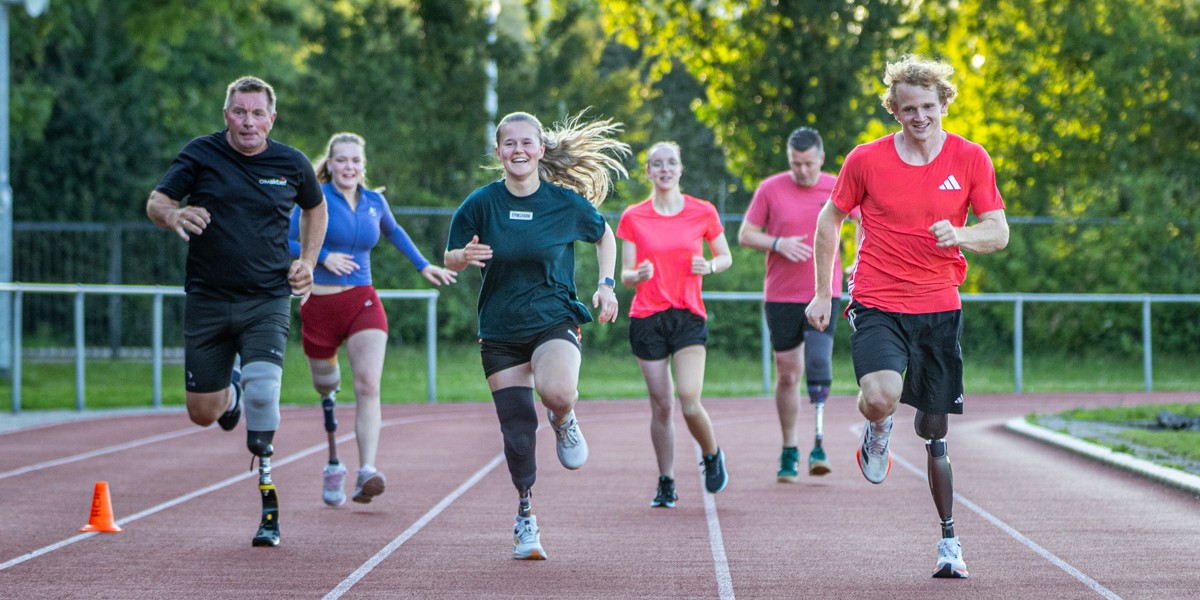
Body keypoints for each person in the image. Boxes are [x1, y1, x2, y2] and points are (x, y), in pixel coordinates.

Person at [805, 54, 1009, 579]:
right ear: (894, 110)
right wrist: (824, 293)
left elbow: (998, 231)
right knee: (880, 396)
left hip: (939, 307)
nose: (920, 116)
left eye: (928, 107)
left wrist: (960, 234)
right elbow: (829, 220)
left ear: (944, 104)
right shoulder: (866, 160)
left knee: (933, 430)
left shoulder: (970, 158)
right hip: (877, 300)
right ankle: (878, 427)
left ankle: (948, 542)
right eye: (909, 108)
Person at [146, 75, 328, 547]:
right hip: (207, 300)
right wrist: (174, 215)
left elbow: (316, 209)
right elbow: (157, 201)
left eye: (257, 113)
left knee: (264, 392)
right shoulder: (201, 154)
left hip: (266, 298)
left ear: (272, 118)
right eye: (240, 112)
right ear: (226, 115)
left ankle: (269, 506)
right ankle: (230, 397)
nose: (249, 122)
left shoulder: (291, 163)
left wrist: (308, 263)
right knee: (202, 414)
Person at [443, 110, 627, 560]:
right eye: (510, 143)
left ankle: (563, 418)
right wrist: (462, 257)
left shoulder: (564, 203)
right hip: (500, 329)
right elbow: (450, 257)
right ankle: (526, 514)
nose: (518, 150)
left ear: (541, 150)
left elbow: (605, 236)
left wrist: (606, 285)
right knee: (519, 434)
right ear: (498, 151)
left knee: (558, 391)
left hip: (553, 318)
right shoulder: (481, 203)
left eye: (527, 142)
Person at [289, 132, 457, 508]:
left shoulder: (374, 202)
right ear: (330, 164)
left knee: (368, 385)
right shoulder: (315, 199)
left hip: (362, 302)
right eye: (342, 160)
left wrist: (423, 265)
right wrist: (322, 256)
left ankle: (366, 469)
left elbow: (394, 232)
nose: (349, 167)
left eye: (355, 161)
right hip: (319, 305)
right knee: (326, 387)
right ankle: (334, 461)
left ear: (363, 166)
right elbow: (284, 240)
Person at [738, 127, 858, 481]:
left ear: (821, 158)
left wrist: (859, 257)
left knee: (819, 365)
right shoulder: (770, 188)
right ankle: (789, 448)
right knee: (788, 375)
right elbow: (746, 234)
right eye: (795, 164)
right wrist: (778, 244)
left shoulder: (837, 186)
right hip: (781, 296)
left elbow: (866, 218)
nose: (802, 171)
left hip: (824, 292)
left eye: (808, 163)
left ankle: (819, 446)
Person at [616, 141, 732, 508]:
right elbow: (625, 274)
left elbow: (725, 256)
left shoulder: (702, 211)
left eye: (670, 163)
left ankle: (711, 454)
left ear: (680, 169)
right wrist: (638, 274)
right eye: (657, 164)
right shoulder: (633, 216)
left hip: (687, 315)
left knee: (688, 399)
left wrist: (709, 266)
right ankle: (666, 481)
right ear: (648, 172)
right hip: (647, 317)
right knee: (662, 405)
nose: (664, 169)